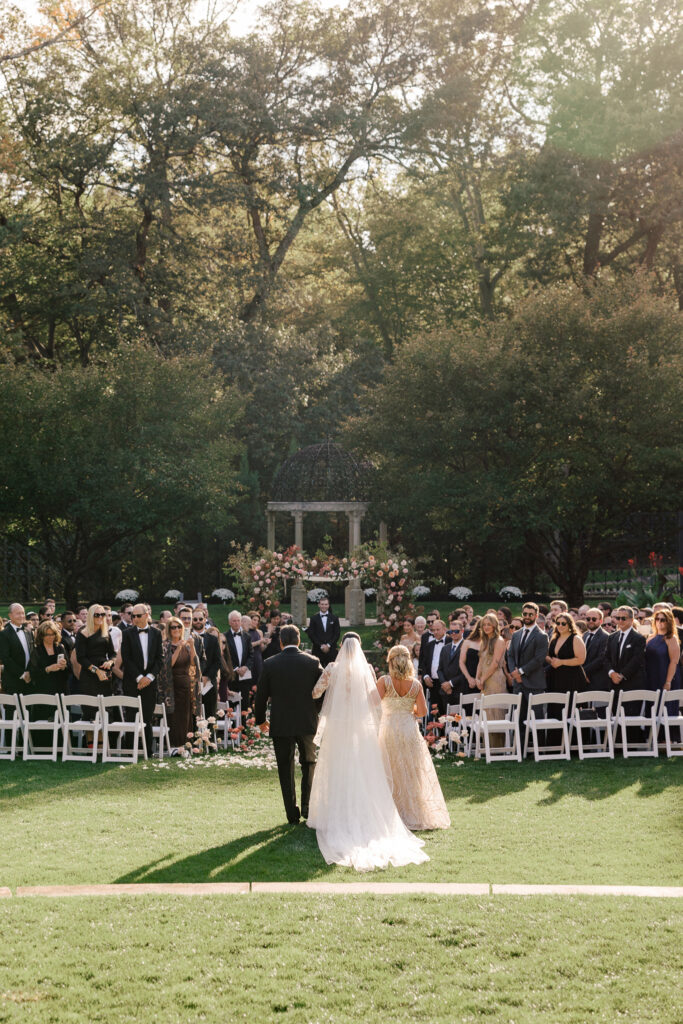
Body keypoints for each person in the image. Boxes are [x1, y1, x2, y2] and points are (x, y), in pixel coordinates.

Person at [307, 635, 430, 870]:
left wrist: (334, 695)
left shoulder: (332, 668)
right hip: (359, 727)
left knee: (336, 767)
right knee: (360, 768)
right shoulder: (367, 670)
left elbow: (315, 693)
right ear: (360, 649)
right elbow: (372, 700)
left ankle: (334, 813)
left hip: (337, 727)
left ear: (341, 647)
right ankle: (361, 811)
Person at [254, 624, 323, 825]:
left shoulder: (270, 663)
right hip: (307, 721)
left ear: (281, 642)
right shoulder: (313, 662)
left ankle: (291, 813)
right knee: (309, 763)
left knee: (285, 767)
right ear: (299, 640)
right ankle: (307, 807)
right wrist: (315, 710)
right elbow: (322, 690)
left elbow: (261, 696)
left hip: (281, 722)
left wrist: (260, 720)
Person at [377, 643, 450, 831]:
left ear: (391, 662)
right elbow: (422, 712)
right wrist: (409, 709)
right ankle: (412, 811)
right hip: (408, 729)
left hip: (389, 728)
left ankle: (391, 813)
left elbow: (373, 704)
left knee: (390, 768)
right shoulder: (415, 685)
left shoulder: (384, 681)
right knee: (411, 769)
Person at [118, 603, 163, 756]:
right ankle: (130, 751)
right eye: (133, 616)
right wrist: (139, 678)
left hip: (150, 682)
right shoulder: (127, 633)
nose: (135, 618)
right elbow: (127, 659)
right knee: (131, 716)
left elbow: (159, 659)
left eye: (138, 616)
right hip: (132, 682)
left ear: (146, 615)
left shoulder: (156, 633)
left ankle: (147, 751)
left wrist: (149, 677)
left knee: (147, 717)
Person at [507, 601, 549, 747]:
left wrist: (521, 671)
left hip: (534, 683)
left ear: (536, 616)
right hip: (518, 683)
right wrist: (514, 672)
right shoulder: (516, 634)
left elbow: (539, 659)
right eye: (525, 614)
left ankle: (540, 749)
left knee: (537, 719)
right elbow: (510, 655)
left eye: (530, 614)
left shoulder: (541, 636)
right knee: (519, 718)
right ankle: (520, 749)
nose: (527, 616)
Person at [157, 617, 202, 752]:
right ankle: (173, 745)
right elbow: (168, 665)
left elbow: (194, 663)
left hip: (186, 685)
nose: (177, 629)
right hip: (171, 686)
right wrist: (178, 648)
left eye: (179, 627)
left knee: (186, 715)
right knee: (174, 716)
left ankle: (186, 744)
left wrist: (192, 646)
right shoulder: (165, 645)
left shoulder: (187, 645)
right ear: (169, 630)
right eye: (173, 627)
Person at [605, 606, 646, 740]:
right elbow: (606, 658)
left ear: (631, 619)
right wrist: (612, 673)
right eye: (618, 618)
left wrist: (622, 675)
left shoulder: (638, 638)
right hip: (614, 684)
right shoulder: (612, 637)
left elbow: (637, 660)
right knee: (616, 716)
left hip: (631, 684)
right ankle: (617, 746)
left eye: (623, 618)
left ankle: (631, 746)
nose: (620, 621)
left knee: (630, 718)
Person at [545, 614, 587, 744]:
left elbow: (581, 659)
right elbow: (548, 655)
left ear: (570, 625)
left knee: (570, 709)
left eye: (563, 623)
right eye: (558, 623)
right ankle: (555, 744)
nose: (560, 626)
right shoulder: (554, 638)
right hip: (555, 679)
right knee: (555, 709)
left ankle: (573, 744)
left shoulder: (575, 639)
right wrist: (551, 661)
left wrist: (562, 662)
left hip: (572, 679)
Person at [74, 605, 116, 721]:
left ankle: (105, 733)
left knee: (106, 711)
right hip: (89, 676)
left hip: (105, 676)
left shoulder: (105, 633)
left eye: (102, 614)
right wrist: (96, 671)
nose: (100, 617)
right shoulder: (83, 633)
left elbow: (113, 654)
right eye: (97, 615)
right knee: (90, 713)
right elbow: (81, 658)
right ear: (91, 616)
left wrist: (110, 662)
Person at [475, 613, 508, 749]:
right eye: (484, 624)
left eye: (489, 624)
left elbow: (495, 663)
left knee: (495, 711)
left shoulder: (499, 641)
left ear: (495, 625)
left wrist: (482, 678)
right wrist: (477, 678)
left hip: (495, 679)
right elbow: (480, 661)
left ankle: (497, 748)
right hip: (484, 680)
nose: (486, 627)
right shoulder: (484, 641)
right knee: (486, 711)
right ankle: (487, 747)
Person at [192, 607, 221, 719]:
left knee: (210, 717)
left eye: (200, 619)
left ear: (205, 620)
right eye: (195, 619)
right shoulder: (186, 638)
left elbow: (217, 661)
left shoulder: (213, 639)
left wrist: (207, 676)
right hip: (191, 683)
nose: (198, 621)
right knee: (193, 717)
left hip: (209, 684)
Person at [645, 608, 681, 696]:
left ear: (669, 622)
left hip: (665, 676)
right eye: (657, 619)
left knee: (664, 703)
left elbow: (674, 662)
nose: (659, 622)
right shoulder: (650, 638)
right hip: (650, 676)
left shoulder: (671, 639)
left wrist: (668, 681)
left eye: (662, 620)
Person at [0, 603, 33, 695]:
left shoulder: (28, 631)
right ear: (10, 615)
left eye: (23, 613)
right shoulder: (3, 634)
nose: (21, 616)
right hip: (13, 681)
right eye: (18, 613)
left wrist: (29, 672)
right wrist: (22, 674)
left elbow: (32, 653)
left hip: (30, 680)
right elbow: (5, 658)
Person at [28, 620, 69, 694]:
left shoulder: (60, 648)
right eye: (47, 635)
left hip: (61, 688)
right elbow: (33, 674)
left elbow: (69, 670)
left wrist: (64, 667)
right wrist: (48, 669)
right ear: (41, 636)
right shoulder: (37, 651)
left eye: (53, 634)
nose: (51, 637)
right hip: (44, 690)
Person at [225, 610, 254, 706]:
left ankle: (244, 715)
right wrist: (236, 668)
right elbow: (225, 656)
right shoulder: (225, 637)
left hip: (245, 675)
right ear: (229, 622)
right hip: (231, 675)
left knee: (245, 702)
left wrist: (246, 667)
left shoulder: (247, 636)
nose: (236, 623)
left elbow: (251, 654)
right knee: (232, 703)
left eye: (238, 620)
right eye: (234, 621)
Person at [305, 596, 341, 667]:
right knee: (318, 671)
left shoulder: (334, 618)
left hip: (331, 650)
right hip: (317, 650)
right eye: (322, 604)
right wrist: (321, 645)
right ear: (319, 605)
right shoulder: (313, 618)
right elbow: (311, 634)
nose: (324, 606)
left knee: (332, 671)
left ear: (328, 605)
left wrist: (328, 645)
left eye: (326, 604)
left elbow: (337, 633)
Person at [582, 608, 611, 691]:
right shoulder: (585, 635)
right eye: (588, 619)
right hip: (583, 681)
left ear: (601, 621)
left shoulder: (606, 637)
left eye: (594, 619)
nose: (591, 621)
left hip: (597, 681)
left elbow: (601, 659)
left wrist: (583, 672)